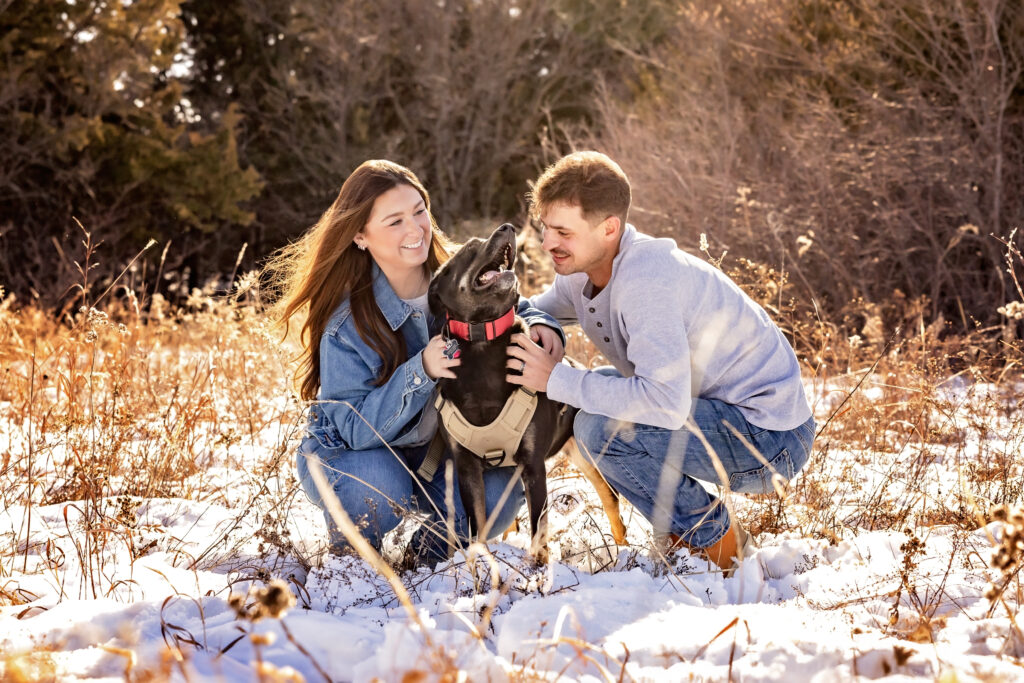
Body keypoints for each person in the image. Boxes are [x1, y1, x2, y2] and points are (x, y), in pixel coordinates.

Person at [506, 151, 815, 572]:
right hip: (715, 410)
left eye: (563, 231)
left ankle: (716, 546)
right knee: (598, 395)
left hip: (769, 439)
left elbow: (664, 404)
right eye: (545, 228)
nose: (547, 244)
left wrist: (554, 378)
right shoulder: (582, 269)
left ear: (609, 228)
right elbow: (535, 308)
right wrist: (544, 325)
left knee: (599, 427)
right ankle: (705, 535)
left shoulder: (646, 280)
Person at [268, 160, 563, 562]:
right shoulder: (346, 326)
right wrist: (419, 371)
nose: (415, 229)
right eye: (394, 222)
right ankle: (353, 557)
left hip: (431, 456)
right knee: (376, 481)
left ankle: (425, 557)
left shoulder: (452, 277)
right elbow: (354, 428)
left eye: (419, 211)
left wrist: (544, 325)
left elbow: (515, 303)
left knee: (498, 493)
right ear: (359, 234)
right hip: (355, 456)